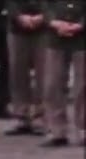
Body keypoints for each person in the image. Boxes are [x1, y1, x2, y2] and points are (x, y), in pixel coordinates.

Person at [42, 0, 85, 147]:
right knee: (53, 85)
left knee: (83, 86)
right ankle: (56, 131)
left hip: (82, 40)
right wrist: (54, 22)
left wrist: (81, 24)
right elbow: (44, 5)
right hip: (55, 39)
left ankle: (83, 128)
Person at [5, 0, 47, 135]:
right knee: (18, 73)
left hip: (45, 29)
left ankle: (41, 115)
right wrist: (18, 16)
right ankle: (21, 115)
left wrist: (44, 16)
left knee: (44, 74)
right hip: (17, 29)